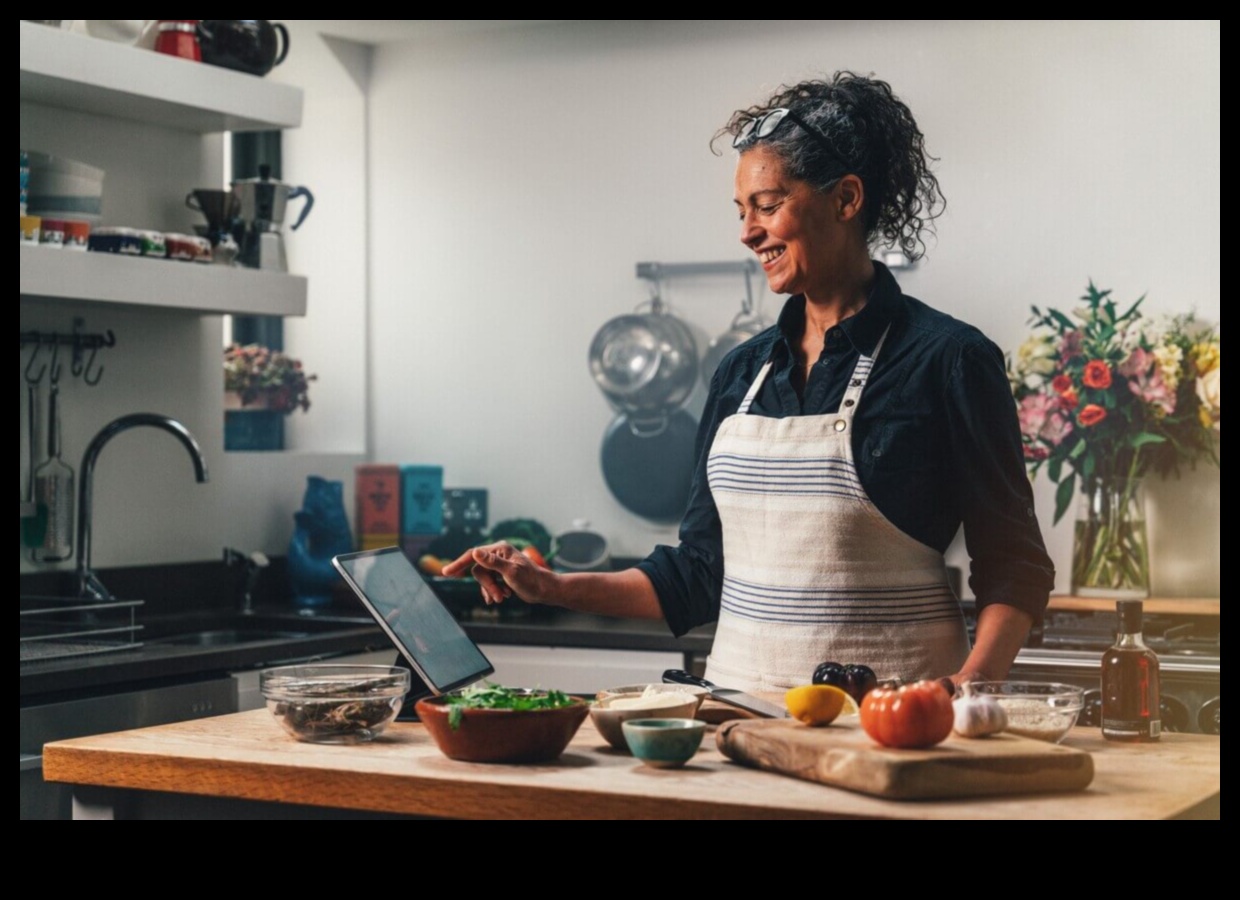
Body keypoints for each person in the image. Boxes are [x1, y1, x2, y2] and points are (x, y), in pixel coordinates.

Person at [444, 71, 1054, 694]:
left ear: (846, 200)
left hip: (892, 729)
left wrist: (966, 687)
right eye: (741, 212)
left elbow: (1014, 565)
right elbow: (699, 573)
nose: (747, 232)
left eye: (767, 206)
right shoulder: (742, 371)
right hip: (737, 721)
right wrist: (548, 586)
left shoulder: (949, 360)